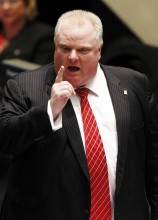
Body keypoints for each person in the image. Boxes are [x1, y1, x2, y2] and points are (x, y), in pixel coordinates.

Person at [0, 9, 158, 220]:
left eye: (83, 50)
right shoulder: (25, 86)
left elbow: (152, 158)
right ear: (55, 46)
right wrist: (49, 110)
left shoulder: (134, 84)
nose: (72, 57)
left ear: (99, 50)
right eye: (65, 48)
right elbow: (6, 139)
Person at [0, 0, 54, 65]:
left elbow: (40, 72)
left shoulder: (43, 35)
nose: (5, 7)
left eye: (12, 1)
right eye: (1, 2)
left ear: (27, 4)